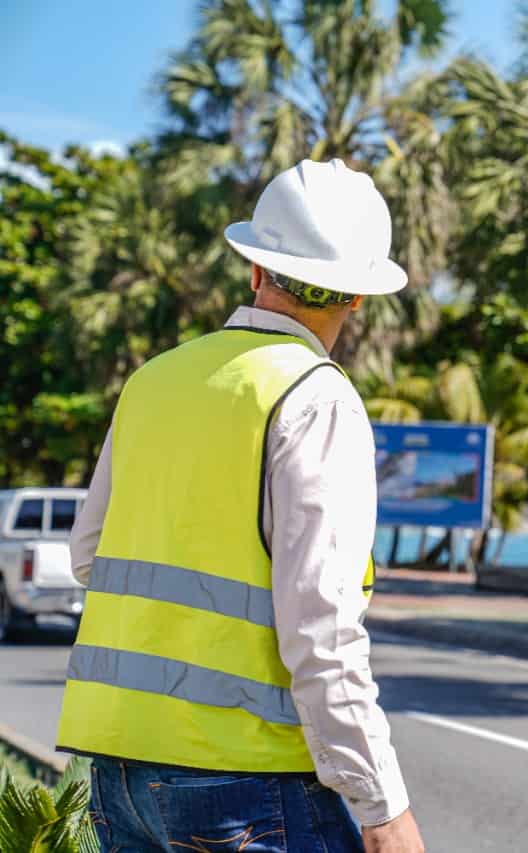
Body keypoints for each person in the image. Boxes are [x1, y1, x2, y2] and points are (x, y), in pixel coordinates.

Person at [58, 159, 425, 853]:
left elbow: (89, 556)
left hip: (120, 770)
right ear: (357, 297)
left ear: (255, 270)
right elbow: (321, 629)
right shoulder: (316, 396)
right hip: (244, 783)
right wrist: (383, 809)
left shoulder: (152, 381)